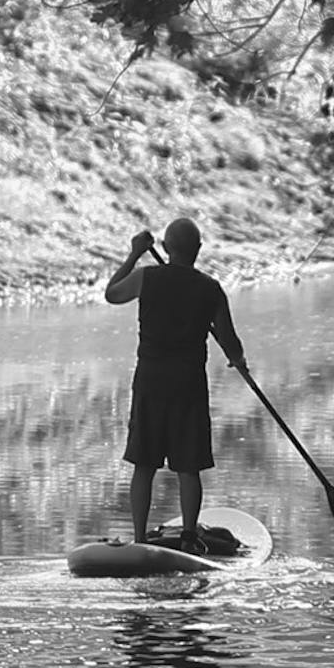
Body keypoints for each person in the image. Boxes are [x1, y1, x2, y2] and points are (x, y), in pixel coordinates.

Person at [104, 217, 249, 551]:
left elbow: (112, 294)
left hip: (151, 383)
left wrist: (134, 255)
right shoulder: (210, 289)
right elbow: (229, 340)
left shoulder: (146, 277)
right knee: (189, 465)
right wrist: (239, 362)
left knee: (144, 464)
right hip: (188, 386)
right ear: (198, 250)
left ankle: (139, 539)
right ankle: (188, 536)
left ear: (166, 249)